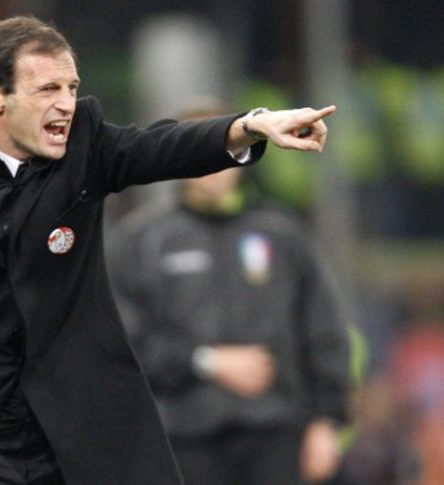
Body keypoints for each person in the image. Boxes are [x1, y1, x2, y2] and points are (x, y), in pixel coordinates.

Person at [0, 16, 336, 485]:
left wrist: (248, 126)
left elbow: (161, 146)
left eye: (72, 88)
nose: (67, 103)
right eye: (48, 88)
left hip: (72, 443)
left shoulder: (86, 148)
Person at [108, 100, 351, 484]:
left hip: (276, 430)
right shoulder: (142, 241)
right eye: (198, 150)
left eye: (223, 148)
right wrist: (204, 362)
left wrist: (327, 419)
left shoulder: (282, 234)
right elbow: (125, 341)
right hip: (182, 435)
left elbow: (323, 329)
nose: (213, 168)